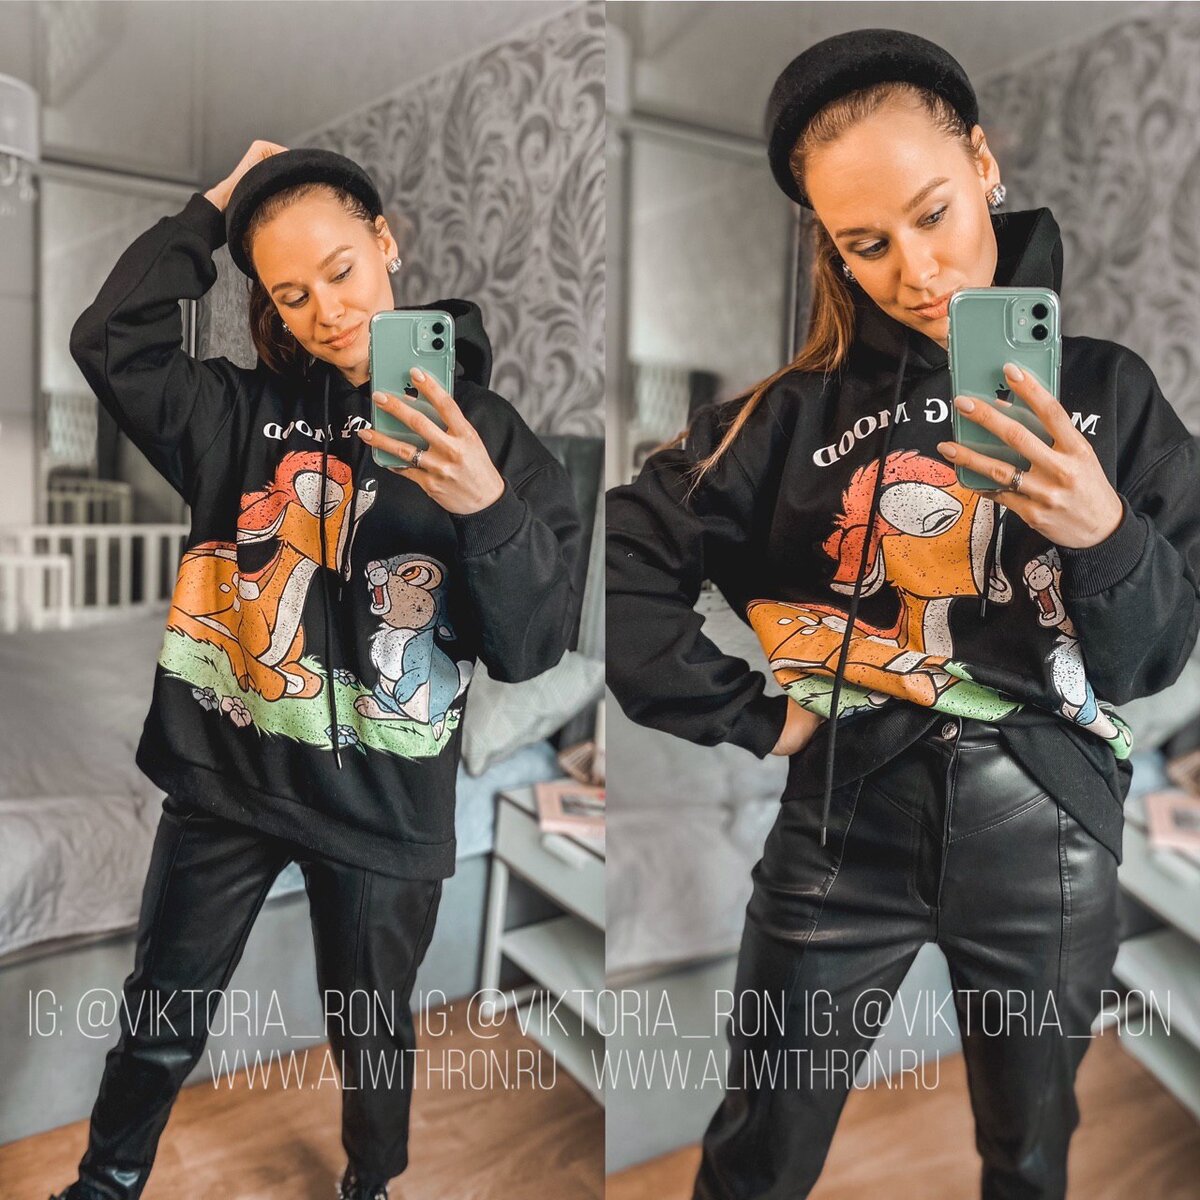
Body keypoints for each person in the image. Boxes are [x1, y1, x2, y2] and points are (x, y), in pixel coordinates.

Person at [606, 29, 1200, 1200]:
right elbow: (624, 558)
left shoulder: (1109, 394)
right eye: (866, 244)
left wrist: (1103, 533)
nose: (917, 272)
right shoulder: (781, 422)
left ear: (983, 162)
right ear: (829, 246)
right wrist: (754, 716)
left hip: (1051, 844)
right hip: (840, 839)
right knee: (754, 1160)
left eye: (933, 214)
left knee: (1029, 1159)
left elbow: (1155, 656)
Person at [54, 143, 582, 1200]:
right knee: (162, 1017)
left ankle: (370, 1185)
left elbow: (531, 647)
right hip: (229, 777)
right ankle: (104, 1185)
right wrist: (215, 208)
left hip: (385, 805)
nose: (326, 312)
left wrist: (484, 506)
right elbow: (109, 339)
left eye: (340, 271)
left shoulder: (488, 437)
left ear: (387, 244)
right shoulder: (232, 416)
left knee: (371, 1037)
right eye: (291, 295)